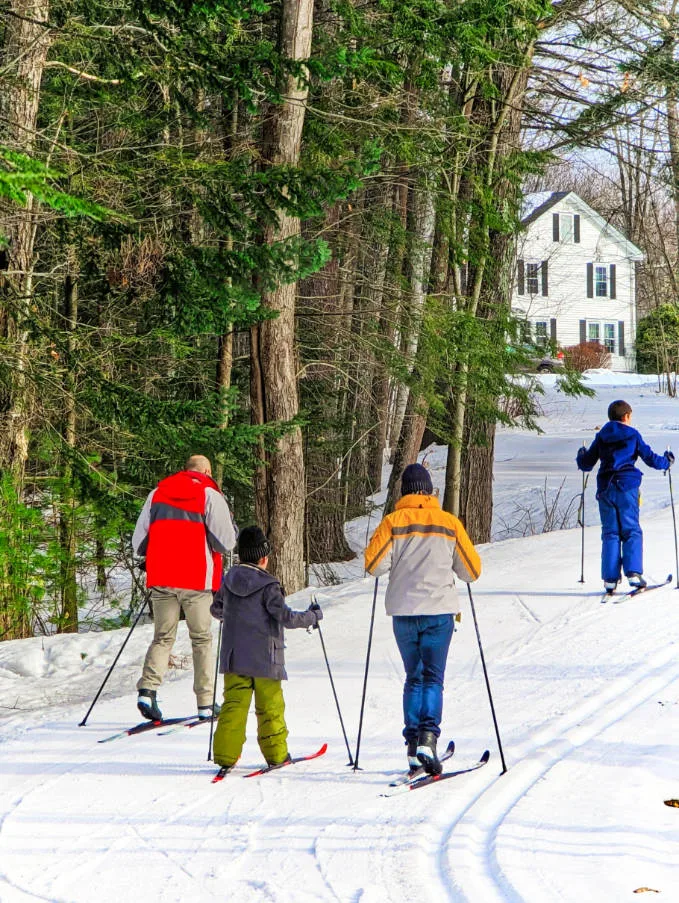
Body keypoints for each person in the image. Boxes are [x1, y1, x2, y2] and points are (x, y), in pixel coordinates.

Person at [364, 463, 481, 776]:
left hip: (403, 613)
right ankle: (428, 738)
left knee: (413, 677)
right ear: (430, 491)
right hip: (439, 611)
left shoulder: (392, 522)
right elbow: (472, 571)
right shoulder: (448, 523)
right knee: (432, 677)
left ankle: (413, 746)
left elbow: (374, 565)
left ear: (403, 492)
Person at [132, 455, 237, 721]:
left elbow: (138, 541)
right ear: (207, 471)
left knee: (162, 637)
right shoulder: (209, 495)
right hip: (196, 580)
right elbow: (226, 542)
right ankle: (205, 703)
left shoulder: (157, 493)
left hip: (162, 578)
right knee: (201, 639)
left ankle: (147, 690)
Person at [209, 526, 322, 770]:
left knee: (233, 706)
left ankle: (225, 757)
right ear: (264, 557)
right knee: (269, 707)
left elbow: (216, 609)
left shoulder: (228, 580)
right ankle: (277, 755)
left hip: (234, 657)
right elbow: (286, 617)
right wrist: (312, 617)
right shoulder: (269, 585)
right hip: (265, 658)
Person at [577, 399, 674, 593]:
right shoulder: (633, 435)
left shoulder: (601, 436)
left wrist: (581, 454)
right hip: (627, 488)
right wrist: (667, 461)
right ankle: (633, 573)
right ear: (627, 416)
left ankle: (610, 580)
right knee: (631, 530)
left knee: (610, 532)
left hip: (605, 489)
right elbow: (650, 458)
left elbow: (587, 463)